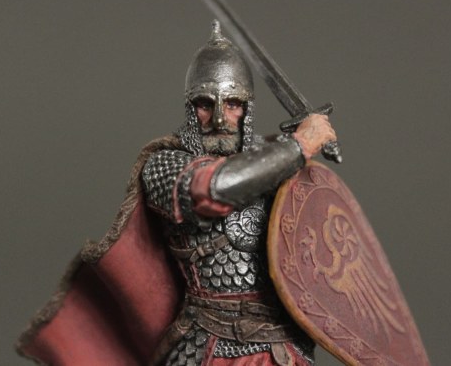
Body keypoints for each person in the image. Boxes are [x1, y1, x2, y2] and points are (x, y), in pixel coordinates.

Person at [141, 21, 337, 366]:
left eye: (232, 104)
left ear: (248, 109)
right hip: (211, 348)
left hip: (285, 351)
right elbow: (214, 189)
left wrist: (289, 152)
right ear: (190, 108)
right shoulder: (164, 165)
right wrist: (299, 146)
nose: (219, 119)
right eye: (205, 104)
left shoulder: (275, 158)